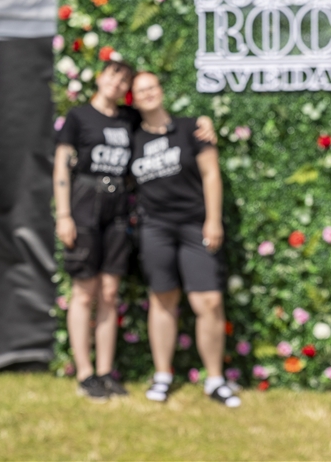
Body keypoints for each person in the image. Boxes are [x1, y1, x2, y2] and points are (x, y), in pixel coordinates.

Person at [54, 61, 215, 401]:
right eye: (113, 74)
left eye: (124, 79)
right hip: (83, 206)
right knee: (84, 292)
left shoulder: (129, 119)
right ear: (99, 77)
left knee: (110, 293)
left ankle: (105, 372)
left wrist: (204, 123)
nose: (117, 82)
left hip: (118, 211)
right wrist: (64, 214)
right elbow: (61, 166)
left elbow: (167, 126)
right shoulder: (78, 117)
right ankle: (85, 374)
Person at [129, 71, 240, 407]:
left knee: (209, 302)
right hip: (155, 228)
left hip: (195, 225)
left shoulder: (193, 128)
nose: (148, 93)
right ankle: (163, 376)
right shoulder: (131, 137)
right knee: (163, 299)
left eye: (152, 86)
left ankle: (215, 379)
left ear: (161, 90)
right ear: (133, 100)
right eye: (140, 90)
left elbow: (211, 174)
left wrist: (213, 219)